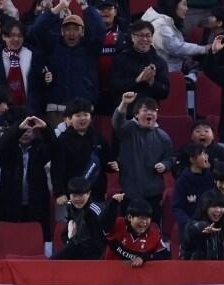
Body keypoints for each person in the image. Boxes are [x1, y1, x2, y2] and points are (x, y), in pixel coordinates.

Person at [29, 2, 105, 123]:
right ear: (62, 31)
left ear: (82, 31)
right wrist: (59, 7)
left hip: (82, 111)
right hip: (56, 111)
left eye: (76, 29)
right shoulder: (52, 45)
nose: (72, 33)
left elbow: (100, 28)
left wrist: (84, 6)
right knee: (55, 142)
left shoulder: (90, 48)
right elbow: (37, 29)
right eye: (68, 29)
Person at [112, 92, 174, 228]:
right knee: (127, 229)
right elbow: (117, 123)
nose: (150, 113)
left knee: (153, 228)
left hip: (153, 194)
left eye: (153, 110)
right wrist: (124, 104)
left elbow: (170, 158)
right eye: (145, 110)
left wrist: (165, 165)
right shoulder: (128, 130)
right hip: (129, 192)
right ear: (136, 114)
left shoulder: (163, 137)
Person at [0, 112, 55, 244]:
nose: (26, 133)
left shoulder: (40, 149)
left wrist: (46, 128)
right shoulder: (9, 150)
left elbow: (53, 148)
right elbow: (1, 147)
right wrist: (17, 129)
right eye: (23, 130)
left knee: (34, 240)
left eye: (30, 130)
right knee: (10, 241)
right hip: (9, 204)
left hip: (36, 204)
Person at [50, 98, 115, 206]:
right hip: (71, 196)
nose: (83, 118)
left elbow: (108, 163)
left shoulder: (99, 139)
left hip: (96, 194)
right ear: (69, 119)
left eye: (86, 115)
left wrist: (113, 165)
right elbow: (57, 169)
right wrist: (59, 193)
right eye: (78, 115)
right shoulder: (62, 141)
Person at [0, 20, 45, 115]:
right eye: (12, 35)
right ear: (4, 37)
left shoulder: (34, 56)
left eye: (20, 36)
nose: (16, 39)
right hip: (2, 113)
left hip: (29, 111)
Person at [110, 19, 171, 105]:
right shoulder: (120, 59)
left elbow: (165, 93)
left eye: (148, 35)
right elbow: (114, 86)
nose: (145, 39)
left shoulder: (160, 62)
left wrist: (151, 81)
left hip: (149, 110)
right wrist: (137, 80)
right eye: (140, 35)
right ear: (132, 37)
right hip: (126, 109)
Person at [101, 193, 170, 265]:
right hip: (111, 270)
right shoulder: (119, 224)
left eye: (147, 218)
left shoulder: (154, 233)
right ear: (129, 217)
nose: (144, 222)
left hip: (137, 275)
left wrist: (144, 258)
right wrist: (113, 204)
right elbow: (105, 225)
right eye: (141, 218)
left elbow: (164, 254)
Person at [142, 0, 209, 74]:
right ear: (173, 5)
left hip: (168, 68)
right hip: (165, 74)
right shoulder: (160, 25)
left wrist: (185, 58)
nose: (187, 8)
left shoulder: (167, 20)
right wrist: (204, 49)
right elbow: (175, 48)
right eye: (184, 4)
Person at [181, 189, 224, 260]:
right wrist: (202, 231)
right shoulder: (192, 226)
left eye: (221, 206)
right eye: (214, 206)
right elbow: (195, 229)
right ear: (204, 208)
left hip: (223, 271)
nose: (219, 210)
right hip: (197, 270)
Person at [53, 176, 105, 260]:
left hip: (94, 254)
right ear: (69, 195)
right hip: (77, 247)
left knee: (56, 261)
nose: (77, 199)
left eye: (81, 195)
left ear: (88, 193)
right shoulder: (70, 206)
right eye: (74, 195)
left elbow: (99, 241)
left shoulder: (95, 211)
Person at [172, 143, 214, 236]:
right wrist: (192, 225)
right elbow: (177, 208)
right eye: (202, 154)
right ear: (192, 159)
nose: (206, 156)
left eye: (205, 153)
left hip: (212, 226)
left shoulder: (212, 177)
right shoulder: (183, 181)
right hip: (191, 230)